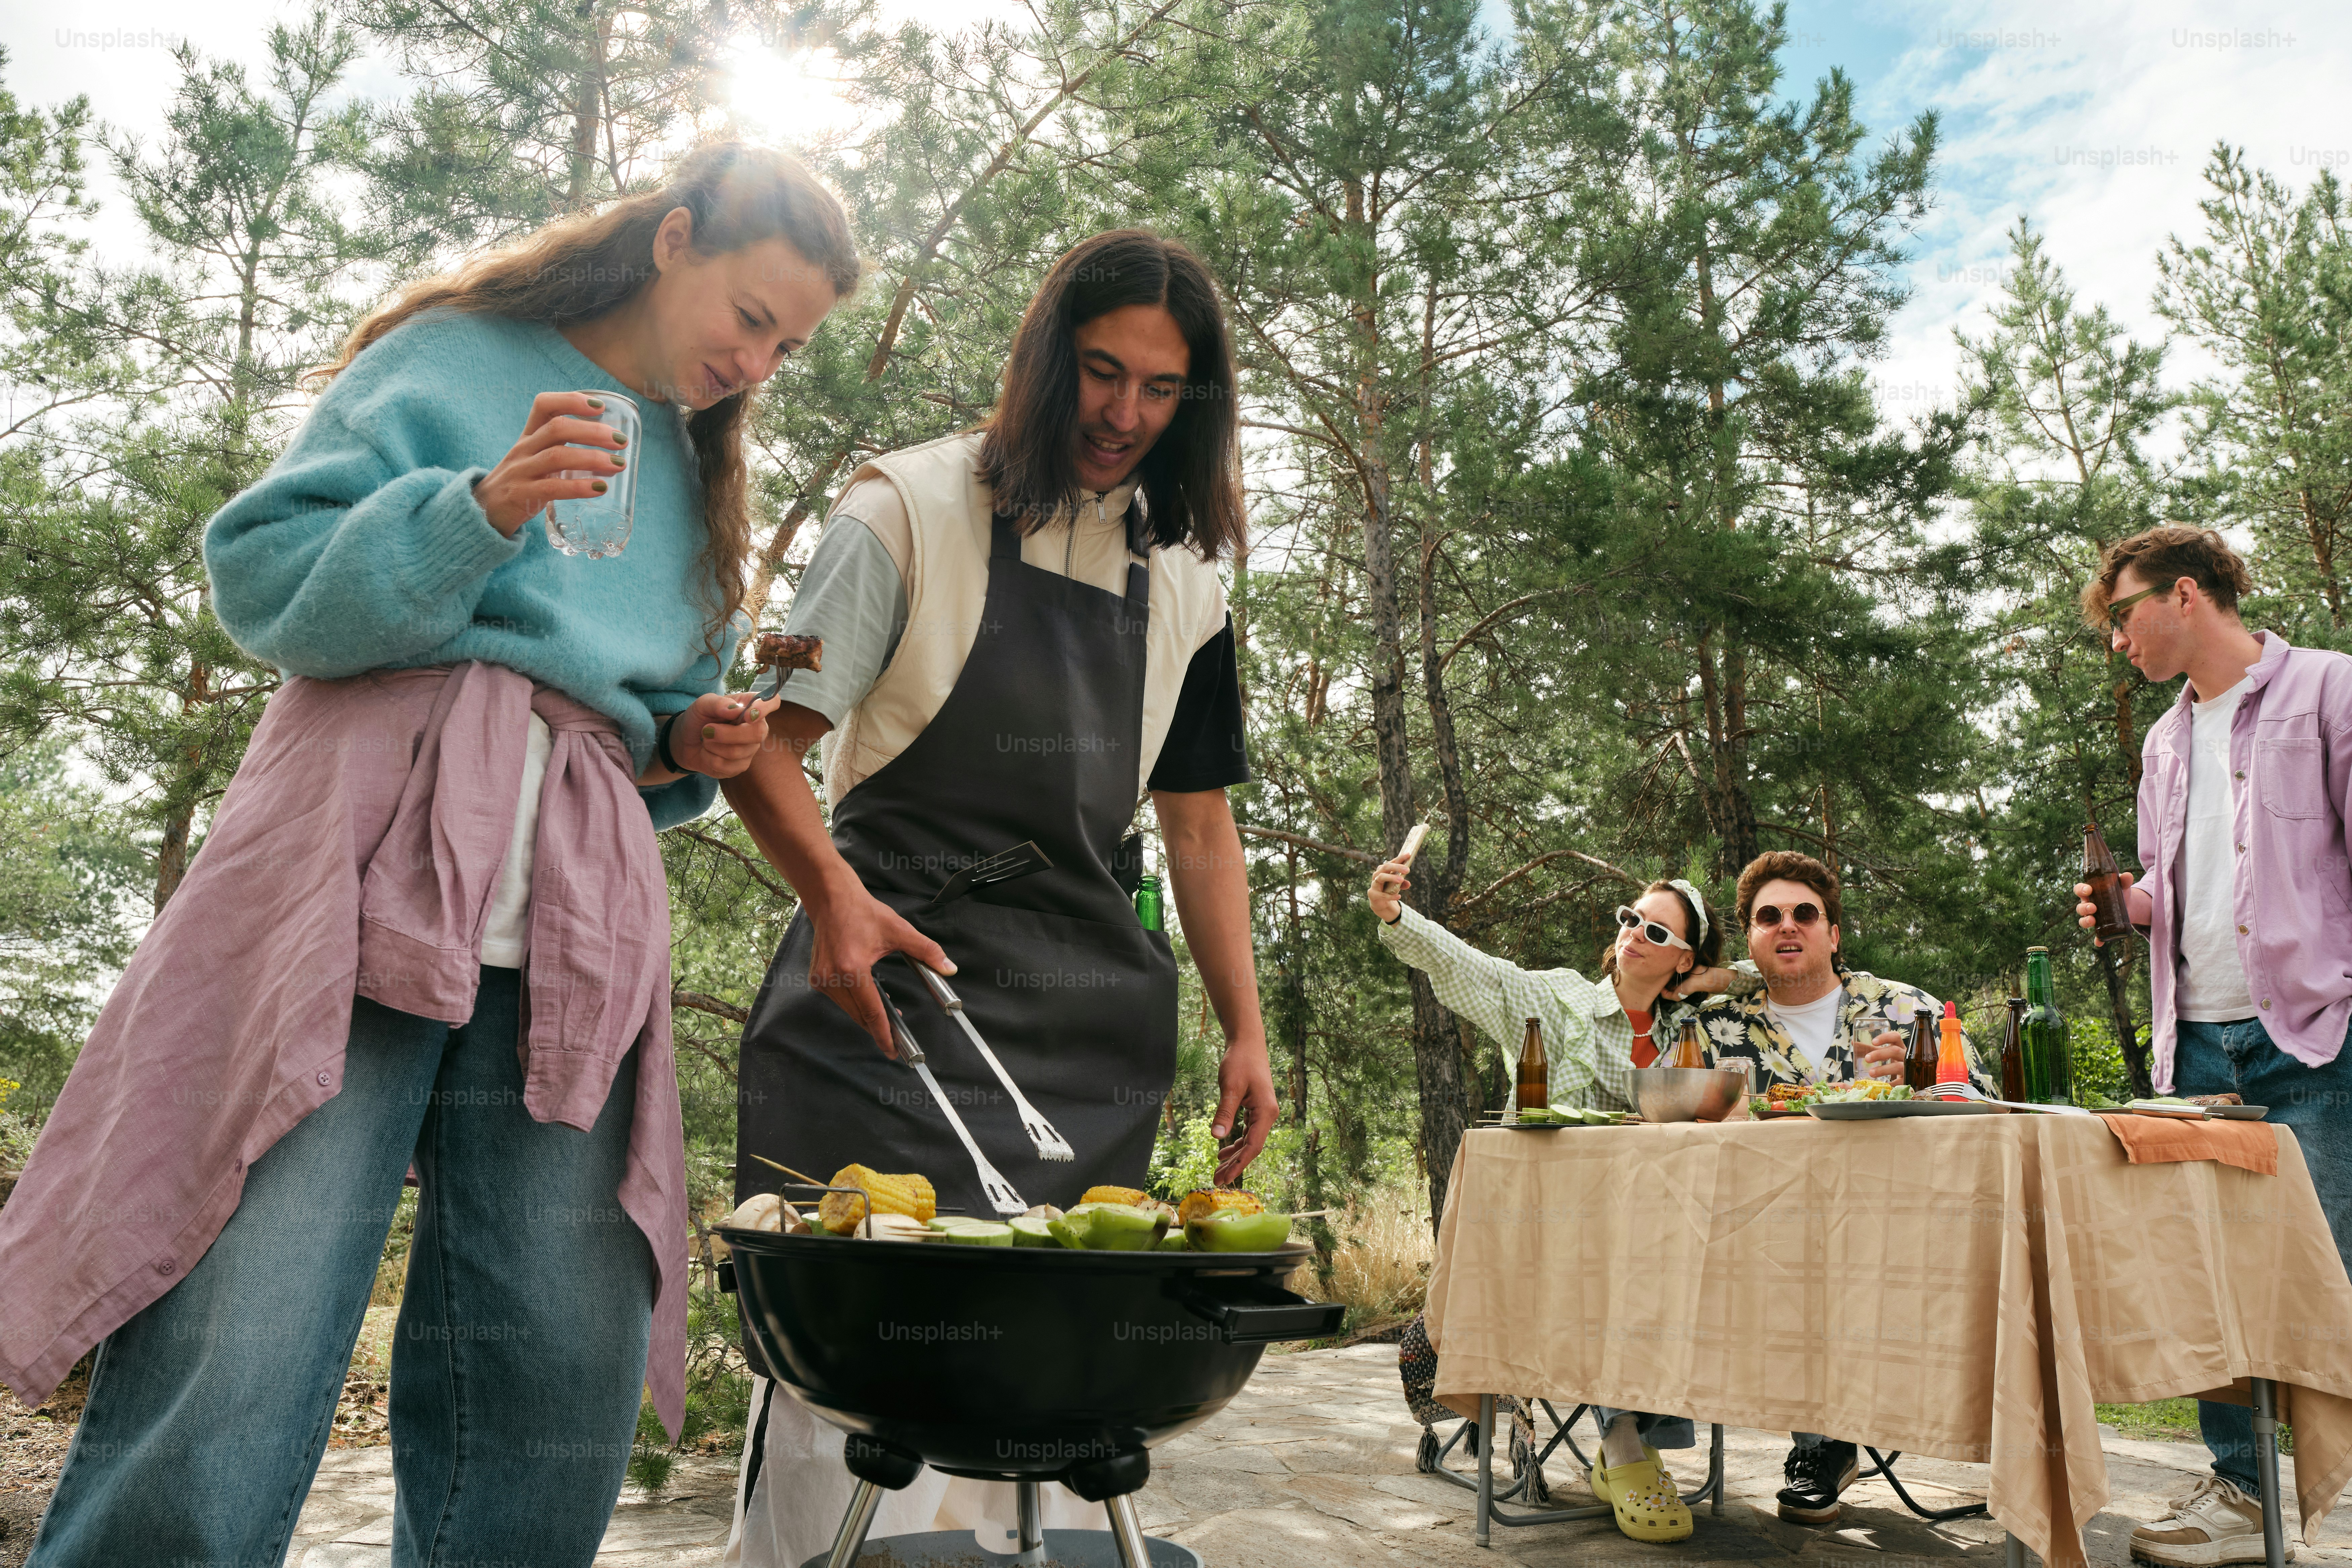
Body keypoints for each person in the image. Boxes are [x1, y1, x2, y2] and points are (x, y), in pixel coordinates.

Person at [0, 142, 859, 1567]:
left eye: (790, 343)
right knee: (249, 1310)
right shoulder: (456, 361)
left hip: (570, 934)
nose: (758, 361)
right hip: (354, 875)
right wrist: (480, 511)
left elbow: (642, 724)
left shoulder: (704, 480)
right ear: (675, 238)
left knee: (557, 1351)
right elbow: (269, 587)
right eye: (750, 314)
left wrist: (689, 744)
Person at [717, 230, 1273, 1564]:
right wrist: (839, 906)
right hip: (881, 1004)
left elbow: (1198, 830)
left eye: (1159, 391)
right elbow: (762, 750)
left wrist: (1247, 1031)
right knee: (850, 1399)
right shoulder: (900, 509)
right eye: (1098, 373)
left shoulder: (1189, 580)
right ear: (1044, 363)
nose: (1123, 415)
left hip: (1080, 1034)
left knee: (1040, 1399)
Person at [2071, 525, 2352, 1568]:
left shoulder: (2332, 691)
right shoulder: (2162, 743)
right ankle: (2239, 1493)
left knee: (2326, 1276)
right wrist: (2129, 904)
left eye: (2122, 618)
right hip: (2194, 1047)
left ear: (2183, 594)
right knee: (2207, 1278)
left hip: (2315, 1035)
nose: (2118, 644)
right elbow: (2179, 894)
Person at [1366, 856, 1729, 1540]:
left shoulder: (1690, 1035)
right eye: (1631, 920)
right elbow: (1471, 967)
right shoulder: (1558, 999)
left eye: (1656, 934)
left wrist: (1718, 980)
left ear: (1683, 962)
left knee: (1694, 1262)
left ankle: (1633, 1428)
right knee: (1622, 1270)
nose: (1633, 935)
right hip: (1548, 1239)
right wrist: (1395, 916)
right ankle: (1621, 1436)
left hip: (1654, 1233)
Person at [1681, 849, 1994, 1525]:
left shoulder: (1904, 1007)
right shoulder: (1711, 1028)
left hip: (1901, 1226)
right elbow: (1682, 1129)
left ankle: (1855, 1436)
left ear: (1832, 933)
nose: (1786, 927)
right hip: (1760, 1231)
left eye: (1804, 914)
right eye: (1768, 918)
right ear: (1751, 936)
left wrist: (1921, 1080)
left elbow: (1986, 1103)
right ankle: (1822, 1445)